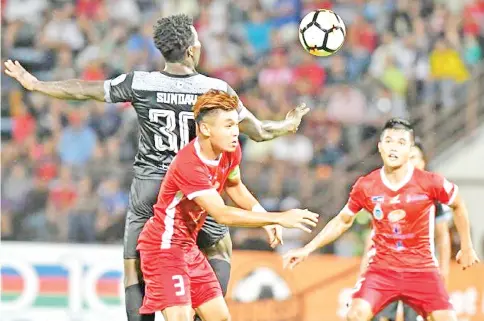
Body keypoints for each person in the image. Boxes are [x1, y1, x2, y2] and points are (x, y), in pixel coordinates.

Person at [3, 14, 310, 321]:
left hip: (149, 187)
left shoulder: (141, 82)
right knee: (219, 247)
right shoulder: (216, 90)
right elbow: (259, 132)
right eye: (198, 41)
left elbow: (85, 89)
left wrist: (37, 84)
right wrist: (287, 125)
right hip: (196, 189)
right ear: (191, 50)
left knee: (133, 268)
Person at [137, 89, 319, 321]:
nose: (236, 132)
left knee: (221, 318)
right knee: (180, 317)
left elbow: (234, 185)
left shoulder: (230, 151)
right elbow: (221, 213)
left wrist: (261, 214)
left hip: (188, 248)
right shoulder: (189, 164)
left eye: (236, 125)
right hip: (163, 248)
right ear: (205, 129)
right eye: (228, 125)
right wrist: (278, 217)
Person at [282, 118, 480, 321]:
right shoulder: (366, 185)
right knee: (355, 315)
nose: (394, 148)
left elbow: (458, 205)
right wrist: (308, 248)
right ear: (380, 147)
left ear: (409, 150)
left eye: (401, 143)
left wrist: (466, 247)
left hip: (421, 270)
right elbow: (342, 221)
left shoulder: (430, 182)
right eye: (389, 141)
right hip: (382, 271)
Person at [360, 138, 453, 321]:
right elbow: (373, 237)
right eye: (407, 158)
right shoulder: (387, 194)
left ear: (424, 162)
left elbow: (443, 237)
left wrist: (444, 271)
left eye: (415, 157)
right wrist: (364, 271)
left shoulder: (432, 195)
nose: (411, 162)